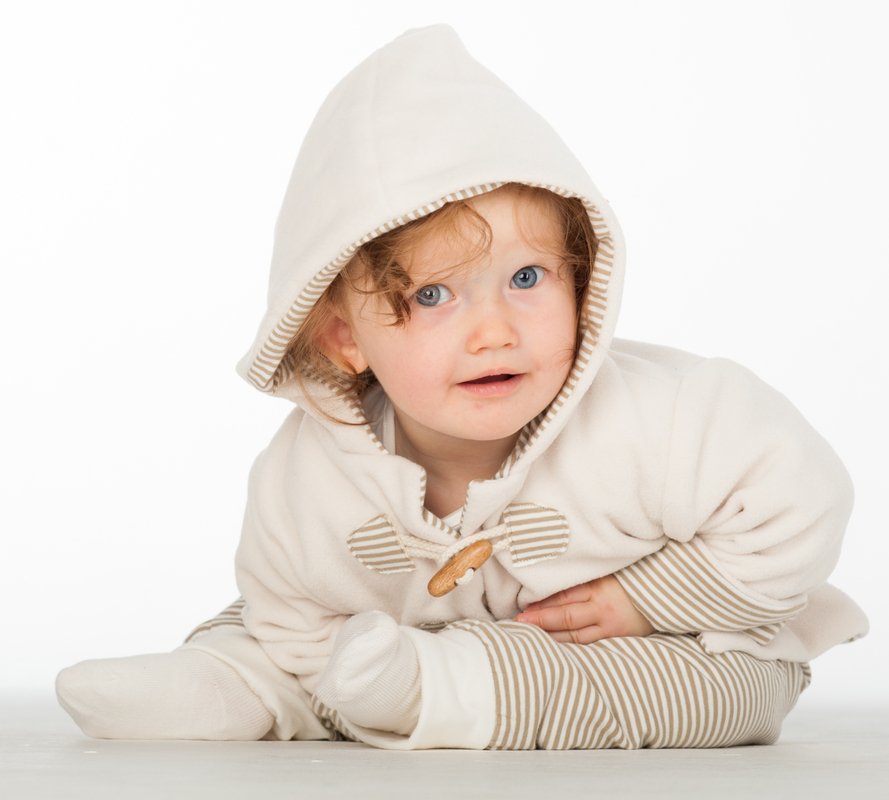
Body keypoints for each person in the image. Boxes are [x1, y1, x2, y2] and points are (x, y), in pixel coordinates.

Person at [56, 24, 868, 749]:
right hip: (396, 628)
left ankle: (439, 690)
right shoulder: (305, 476)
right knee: (277, 633)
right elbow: (294, 609)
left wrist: (647, 598)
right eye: (433, 295)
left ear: (581, 280)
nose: (494, 332)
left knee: (722, 695)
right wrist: (302, 658)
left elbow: (800, 502)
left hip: (656, 642)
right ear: (343, 337)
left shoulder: (671, 415)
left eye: (526, 278)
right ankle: (229, 684)